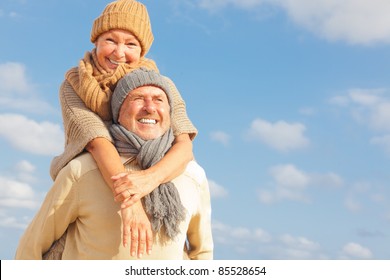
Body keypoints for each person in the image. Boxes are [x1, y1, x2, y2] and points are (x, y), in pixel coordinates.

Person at [15, 68, 213, 260]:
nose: (150, 107)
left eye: (158, 99)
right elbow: (31, 248)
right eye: (138, 98)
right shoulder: (82, 171)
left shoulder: (193, 176)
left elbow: (202, 254)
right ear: (118, 112)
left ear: (170, 114)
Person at [50, 0, 197, 250]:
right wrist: (130, 203)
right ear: (96, 40)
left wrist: (147, 180)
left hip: (152, 173)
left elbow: (184, 143)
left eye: (130, 44)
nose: (119, 53)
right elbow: (96, 140)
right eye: (110, 40)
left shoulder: (161, 85)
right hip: (95, 177)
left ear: (142, 51)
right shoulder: (73, 84)